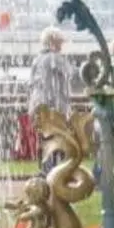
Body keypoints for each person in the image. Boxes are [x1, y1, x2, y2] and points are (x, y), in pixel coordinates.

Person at [22, 27, 76, 162]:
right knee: (58, 139)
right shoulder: (54, 58)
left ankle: (45, 168)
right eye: (60, 42)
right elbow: (72, 74)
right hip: (54, 106)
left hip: (38, 105)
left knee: (44, 139)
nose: (62, 45)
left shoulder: (37, 59)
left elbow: (31, 84)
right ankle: (56, 169)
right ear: (53, 42)